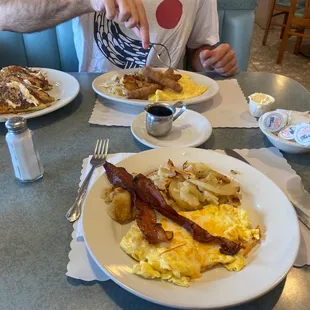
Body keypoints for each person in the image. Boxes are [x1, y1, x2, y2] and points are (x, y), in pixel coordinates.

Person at [0, 0, 237, 76]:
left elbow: (198, 50)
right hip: (95, 102)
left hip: (168, 108)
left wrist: (209, 61)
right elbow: (6, 14)